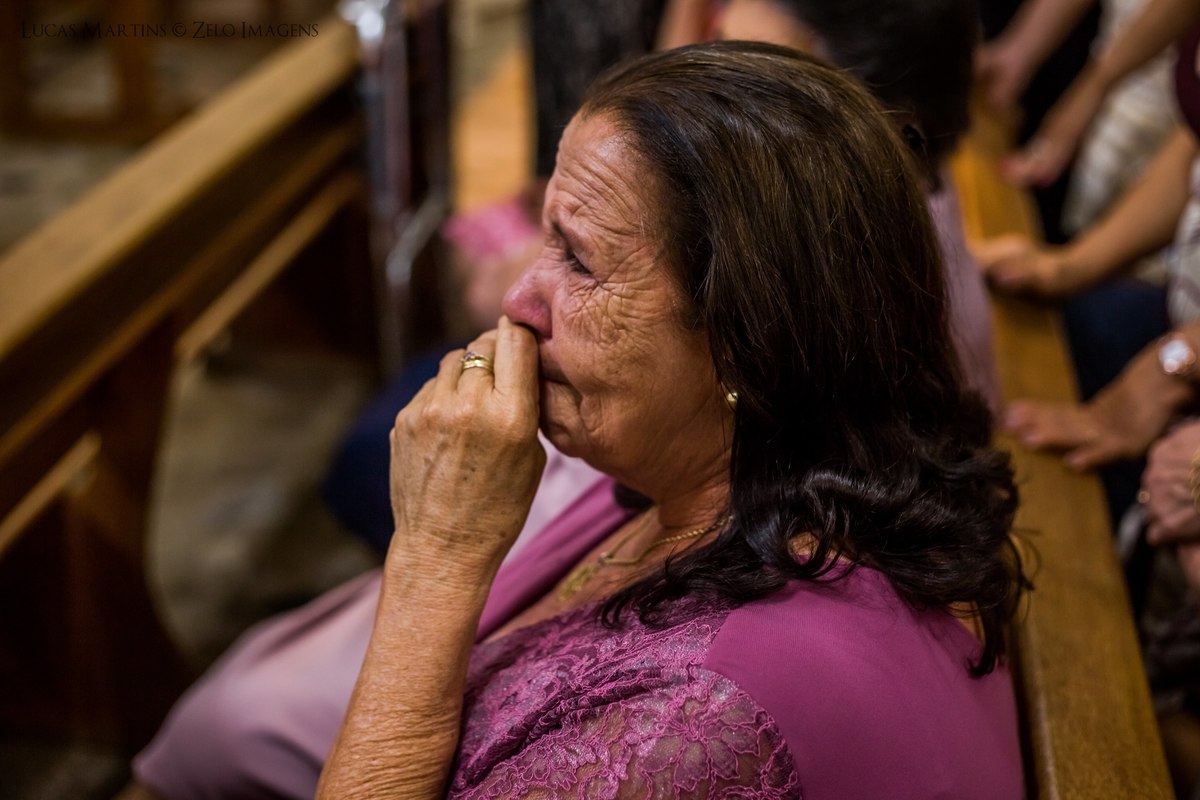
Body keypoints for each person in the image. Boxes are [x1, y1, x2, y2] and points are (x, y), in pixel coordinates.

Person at [313, 43, 1024, 798]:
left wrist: (438, 552)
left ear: (746, 346)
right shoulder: (717, 479)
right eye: (546, 234)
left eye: (579, 261)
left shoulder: (697, 725)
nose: (519, 298)